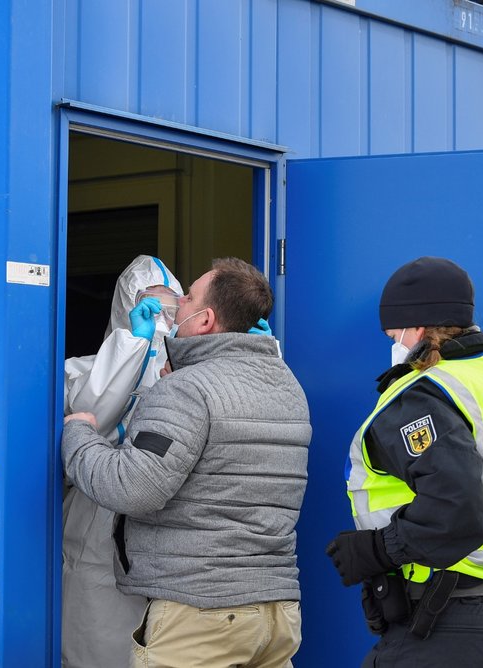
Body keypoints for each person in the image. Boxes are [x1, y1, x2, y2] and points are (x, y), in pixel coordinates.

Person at [325, 256, 483, 667]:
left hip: (438, 627)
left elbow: (456, 510)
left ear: (419, 327)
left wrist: (375, 550)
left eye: (394, 332)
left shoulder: (423, 395)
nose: (393, 342)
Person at [62, 257, 312, 668]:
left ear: (205, 318)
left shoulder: (187, 388)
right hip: (273, 608)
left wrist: (78, 434)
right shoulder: (287, 387)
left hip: (202, 610)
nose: (172, 309)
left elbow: (132, 487)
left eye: (185, 298)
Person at [62, 255, 183, 668]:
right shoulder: (84, 371)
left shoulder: (185, 375)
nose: (163, 320)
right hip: (96, 522)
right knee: (92, 638)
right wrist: (131, 347)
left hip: (162, 528)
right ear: (126, 307)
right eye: (151, 307)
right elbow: (91, 419)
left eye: (171, 309)